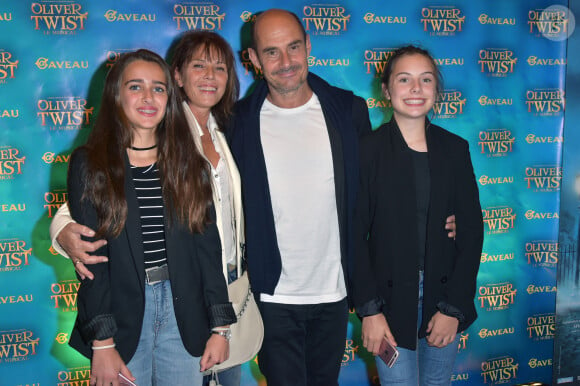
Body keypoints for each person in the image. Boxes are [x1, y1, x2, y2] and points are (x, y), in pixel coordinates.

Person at [226, 10, 457, 386]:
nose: (285, 62)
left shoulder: (348, 110)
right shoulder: (237, 121)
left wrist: (438, 215)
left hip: (335, 292)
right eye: (271, 52)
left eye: (294, 47)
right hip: (272, 293)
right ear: (253, 58)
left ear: (309, 46)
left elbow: (378, 193)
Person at [50, 31, 246, 386]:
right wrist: (103, 340)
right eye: (135, 86)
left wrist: (221, 327)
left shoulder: (188, 161)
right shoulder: (89, 164)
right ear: (116, 95)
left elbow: (207, 248)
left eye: (158, 88)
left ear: (168, 95)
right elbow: (94, 263)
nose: (148, 97)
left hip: (184, 314)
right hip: (123, 316)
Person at [352, 45, 483, 385]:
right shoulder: (367, 152)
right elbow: (352, 236)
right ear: (386, 90)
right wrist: (370, 310)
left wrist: (454, 308)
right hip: (388, 303)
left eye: (425, 80)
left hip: (443, 295)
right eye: (404, 79)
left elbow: (471, 232)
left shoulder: (455, 149)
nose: (415, 89)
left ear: (436, 90)